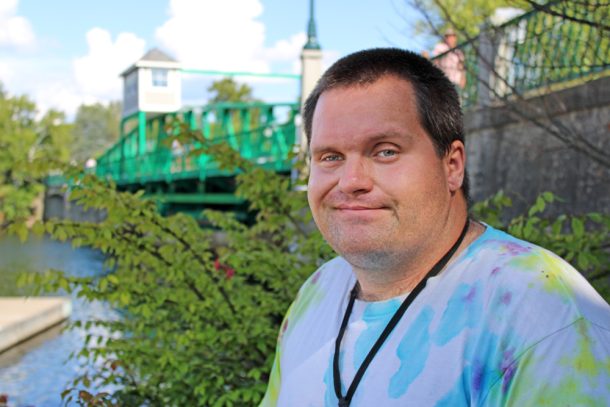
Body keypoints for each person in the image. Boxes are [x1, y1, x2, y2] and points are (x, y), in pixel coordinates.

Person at [260, 48, 610, 406]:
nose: (351, 181)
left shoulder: (543, 313)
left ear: (452, 165)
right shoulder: (319, 290)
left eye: (385, 151)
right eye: (330, 157)